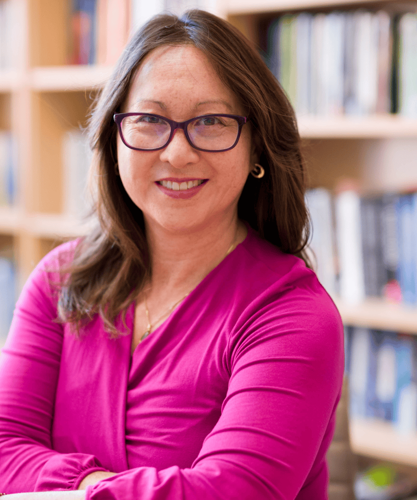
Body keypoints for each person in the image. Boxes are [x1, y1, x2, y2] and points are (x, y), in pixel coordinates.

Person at [0, 9, 344, 500]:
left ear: (257, 149)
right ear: (113, 139)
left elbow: (234, 493)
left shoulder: (292, 315)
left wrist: (72, 489)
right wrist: (97, 485)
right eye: (148, 120)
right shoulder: (60, 279)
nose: (177, 153)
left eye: (210, 121)